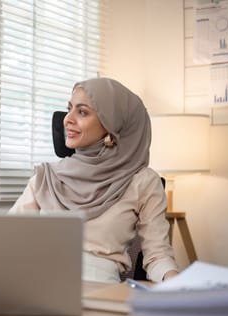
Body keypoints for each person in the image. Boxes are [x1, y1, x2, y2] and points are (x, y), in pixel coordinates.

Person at [9, 77, 178, 283]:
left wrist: (177, 284)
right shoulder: (46, 177)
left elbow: (157, 255)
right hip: (37, 284)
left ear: (111, 124)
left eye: (82, 112)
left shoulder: (143, 181)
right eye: (69, 108)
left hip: (99, 290)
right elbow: (7, 238)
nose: (67, 119)